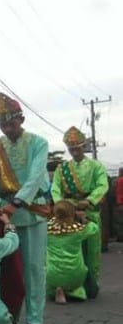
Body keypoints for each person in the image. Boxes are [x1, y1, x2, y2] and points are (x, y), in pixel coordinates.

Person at [0, 92, 50, 324]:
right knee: (6, 269)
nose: (7, 128)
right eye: (2, 124)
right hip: (3, 215)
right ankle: (7, 314)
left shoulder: (39, 143)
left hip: (31, 212)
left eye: (11, 123)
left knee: (33, 266)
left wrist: (16, 202)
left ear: (21, 119)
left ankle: (34, 317)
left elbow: (36, 176)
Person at [50, 126, 109, 299]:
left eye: (77, 147)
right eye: (71, 148)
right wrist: (62, 206)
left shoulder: (96, 166)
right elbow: (55, 189)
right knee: (68, 252)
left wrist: (90, 200)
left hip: (89, 211)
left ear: (84, 146)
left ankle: (90, 286)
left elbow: (103, 185)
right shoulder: (62, 169)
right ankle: (67, 286)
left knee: (92, 250)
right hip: (68, 215)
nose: (74, 151)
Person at [46, 200, 99, 304]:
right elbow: (94, 228)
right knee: (79, 274)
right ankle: (72, 291)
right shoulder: (78, 231)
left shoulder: (47, 229)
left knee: (50, 271)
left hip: (51, 274)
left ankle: (57, 289)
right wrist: (83, 219)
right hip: (75, 274)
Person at [117, 167, 123, 242]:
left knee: (120, 221)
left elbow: (119, 192)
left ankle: (120, 236)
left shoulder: (120, 180)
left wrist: (119, 203)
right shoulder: (121, 180)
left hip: (121, 202)